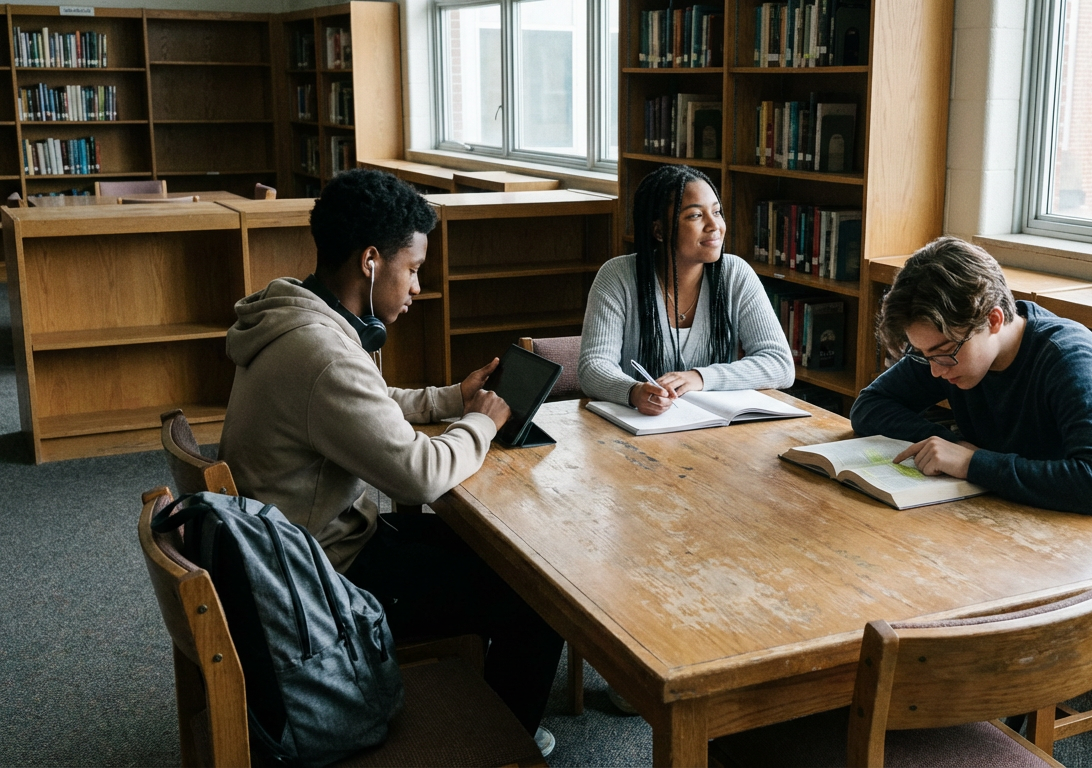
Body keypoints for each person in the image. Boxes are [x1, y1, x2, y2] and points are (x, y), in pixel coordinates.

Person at [219, 169, 562, 754]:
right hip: (322, 580)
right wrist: (483, 421)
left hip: (301, 546)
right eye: (414, 269)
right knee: (540, 599)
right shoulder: (323, 354)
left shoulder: (302, 317)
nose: (418, 288)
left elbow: (369, 404)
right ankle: (502, 746)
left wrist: (453, 398)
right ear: (371, 261)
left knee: (498, 555)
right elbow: (420, 473)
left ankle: (483, 700)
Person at [850, 236, 1092, 533]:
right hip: (1017, 515)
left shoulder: (1069, 360)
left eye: (942, 353)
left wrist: (974, 463)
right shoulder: (950, 345)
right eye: (922, 354)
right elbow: (870, 406)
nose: (934, 371)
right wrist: (949, 447)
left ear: (994, 320)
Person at [579, 164, 793, 413]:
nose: (715, 226)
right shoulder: (618, 276)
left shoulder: (735, 274)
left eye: (717, 212)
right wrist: (634, 392)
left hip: (716, 431)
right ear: (659, 230)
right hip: (638, 429)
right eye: (695, 215)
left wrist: (700, 378)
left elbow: (779, 364)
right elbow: (592, 367)